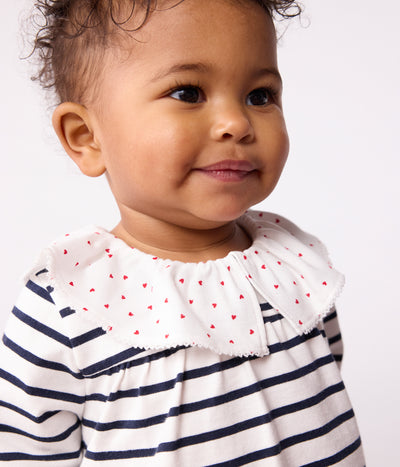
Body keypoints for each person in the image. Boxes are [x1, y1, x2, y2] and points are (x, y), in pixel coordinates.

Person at [0, 0, 365, 464]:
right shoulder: (72, 303)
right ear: (87, 136)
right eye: (188, 92)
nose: (237, 124)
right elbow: (27, 451)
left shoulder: (294, 265)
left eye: (259, 95)